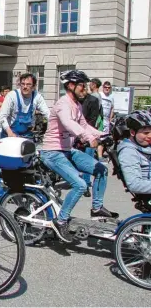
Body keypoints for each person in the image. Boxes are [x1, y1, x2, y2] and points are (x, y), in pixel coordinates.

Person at [40, 70, 119, 243]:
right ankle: (60, 221)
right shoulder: (63, 104)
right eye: (82, 85)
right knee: (80, 184)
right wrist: (87, 138)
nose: (85, 88)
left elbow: (84, 125)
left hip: (67, 150)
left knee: (101, 169)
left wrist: (103, 135)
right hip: (52, 152)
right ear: (71, 86)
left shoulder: (76, 104)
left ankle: (96, 208)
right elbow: (69, 124)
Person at [0, 73, 50, 201]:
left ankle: (26, 195)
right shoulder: (12, 96)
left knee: (29, 167)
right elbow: (2, 116)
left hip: (26, 137)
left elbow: (48, 114)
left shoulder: (37, 97)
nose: (25, 87)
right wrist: (9, 132)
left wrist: (52, 132)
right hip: (10, 135)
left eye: (28, 85)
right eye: (23, 84)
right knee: (2, 167)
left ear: (34, 86)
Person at [117, 110, 151, 197]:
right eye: (146, 133)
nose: (150, 136)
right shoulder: (128, 152)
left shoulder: (146, 146)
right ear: (132, 132)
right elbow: (134, 184)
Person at [79, 84, 103, 197]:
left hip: (88, 133)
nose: (82, 90)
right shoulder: (75, 100)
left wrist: (87, 135)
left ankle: (86, 184)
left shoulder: (93, 100)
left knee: (87, 159)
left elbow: (93, 119)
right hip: (75, 134)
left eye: (84, 88)